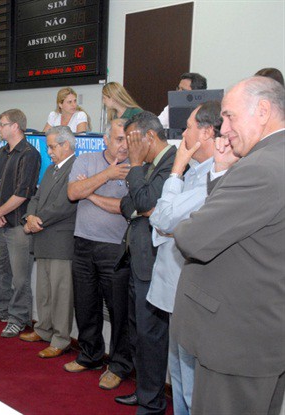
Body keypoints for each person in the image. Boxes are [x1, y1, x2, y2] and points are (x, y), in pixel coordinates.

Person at [171, 76, 285, 414]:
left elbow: (192, 237)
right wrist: (222, 172)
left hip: (236, 342)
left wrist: (189, 219)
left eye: (230, 116)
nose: (224, 128)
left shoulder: (261, 168)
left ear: (263, 110)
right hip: (263, 334)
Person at [148, 101, 236, 415]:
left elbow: (162, 219)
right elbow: (162, 224)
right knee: (180, 382)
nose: (182, 134)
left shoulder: (216, 176)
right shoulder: (197, 172)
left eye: (187, 127)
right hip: (176, 291)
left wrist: (175, 170)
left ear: (207, 132)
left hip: (192, 295)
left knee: (192, 387)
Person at [113, 112, 176, 414]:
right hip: (137, 258)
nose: (128, 148)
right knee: (138, 333)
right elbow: (128, 205)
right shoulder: (149, 166)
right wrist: (142, 204)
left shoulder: (172, 163)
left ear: (149, 136)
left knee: (151, 336)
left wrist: (136, 169)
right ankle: (144, 392)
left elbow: (146, 202)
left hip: (153, 263)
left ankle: (152, 403)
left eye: (132, 140)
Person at [63, 119, 133, 390]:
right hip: (83, 243)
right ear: (106, 140)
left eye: (128, 139)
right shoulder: (86, 160)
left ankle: (118, 365)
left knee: (119, 311)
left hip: (115, 248)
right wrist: (107, 175)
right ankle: (90, 355)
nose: (124, 145)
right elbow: (73, 192)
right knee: (85, 305)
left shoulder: (136, 168)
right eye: (118, 139)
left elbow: (123, 207)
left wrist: (90, 193)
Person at [0, 109, 41, 338]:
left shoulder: (30, 154)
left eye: (2, 124)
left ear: (15, 126)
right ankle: (1, 309)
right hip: (0, 222)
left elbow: (23, 193)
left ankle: (18, 318)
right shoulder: (1, 153)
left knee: (20, 278)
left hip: (18, 225)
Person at [19, 126, 76, 358]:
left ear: (66, 145)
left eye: (52, 147)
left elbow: (64, 205)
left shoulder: (75, 167)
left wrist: (36, 221)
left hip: (61, 241)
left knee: (61, 294)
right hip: (43, 237)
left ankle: (61, 339)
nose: (49, 152)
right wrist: (29, 217)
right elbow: (36, 197)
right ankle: (43, 329)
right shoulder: (51, 168)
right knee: (44, 290)